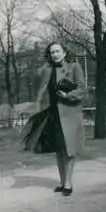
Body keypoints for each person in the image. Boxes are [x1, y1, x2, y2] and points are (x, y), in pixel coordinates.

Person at [22, 42, 86, 196]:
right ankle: (62, 181)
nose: (55, 54)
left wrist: (68, 95)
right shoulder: (47, 70)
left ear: (64, 52)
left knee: (69, 149)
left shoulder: (74, 67)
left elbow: (83, 88)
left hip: (70, 113)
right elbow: (41, 89)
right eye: (52, 52)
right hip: (53, 114)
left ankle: (68, 183)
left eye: (58, 51)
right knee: (58, 149)